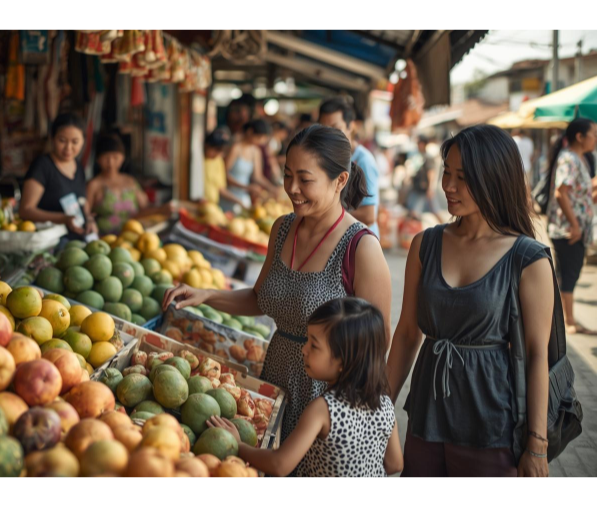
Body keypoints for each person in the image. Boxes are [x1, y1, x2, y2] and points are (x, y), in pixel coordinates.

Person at [164, 125, 392, 453]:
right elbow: (262, 298)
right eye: (287, 175)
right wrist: (206, 295)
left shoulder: (361, 248)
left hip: (327, 400)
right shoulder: (283, 229)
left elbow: (377, 339)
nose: (292, 189)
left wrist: (357, 414)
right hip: (275, 380)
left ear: (340, 180)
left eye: (305, 178)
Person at [386, 124, 555, 477]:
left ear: (494, 178)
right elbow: (406, 334)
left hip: (491, 426)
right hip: (426, 417)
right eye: (447, 172)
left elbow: (538, 354)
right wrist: (379, 411)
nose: (448, 186)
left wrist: (537, 445)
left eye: (462, 177)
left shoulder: (528, 259)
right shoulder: (426, 244)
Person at [207, 297, 402, 477]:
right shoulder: (384, 403)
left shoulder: (324, 409)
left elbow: (279, 464)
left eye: (314, 346)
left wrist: (238, 444)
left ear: (344, 361)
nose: (304, 349)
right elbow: (395, 464)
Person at [545, 118, 596, 335]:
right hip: (566, 229)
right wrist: (575, 225)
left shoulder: (581, 159)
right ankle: (568, 320)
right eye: (593, 134)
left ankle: (566, 320)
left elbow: (580, 195)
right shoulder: (570, 159)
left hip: (575, 228)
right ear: (580, 137)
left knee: (569, 272)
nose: (595, 139)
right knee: (568, 273)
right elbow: (561, 192)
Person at [19, 113, 98, 240]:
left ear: (83, 141)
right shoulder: (42, 166)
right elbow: (25, 210)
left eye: (75, 142)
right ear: (52, 138)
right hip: (50, 242)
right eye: (62, 140)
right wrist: (63, 218)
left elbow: (82, 201)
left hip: (78, 240)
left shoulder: (79, 167)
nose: (68, 147)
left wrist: (89, 219)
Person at [86, 134, 173, 235]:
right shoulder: (93, 185)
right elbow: (85, 214)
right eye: (106, 158)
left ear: (122, 158)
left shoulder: (130, 182)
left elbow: (144, 209)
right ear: (98, 159)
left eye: (115, 157)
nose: (110, 162)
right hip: (104, 240)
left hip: (133, 236)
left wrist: (161, 209)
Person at [318, 98, 381, 238]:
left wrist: (325, 215)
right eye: (324, 129)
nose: (330, 136)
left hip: (360, 243)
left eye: (336, 128)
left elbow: (369, 216)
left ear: (350, 127)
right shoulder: (328, 158)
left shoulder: (363, 161)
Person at [222, 120, 277, 212]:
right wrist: (247, 187)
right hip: (229, 194)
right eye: (259, 137)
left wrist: (271, 188)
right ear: (250, 132)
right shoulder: (236, 148)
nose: (260, 142)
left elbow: (258, 177)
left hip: (243, 197)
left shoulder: (256, 151)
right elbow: (223, 174)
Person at [203, 129, 247, 208]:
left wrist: (238, 201)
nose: (218, 154)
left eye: (221, 151)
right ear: (207, 145)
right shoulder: (199, 160)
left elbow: (221, 188)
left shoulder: (218, 161)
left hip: (212, 206)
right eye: (216, 149)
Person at [405, 135, 444, 223]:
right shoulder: (418, 156)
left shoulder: (428, 157)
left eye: (419, 143)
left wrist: (430, 188)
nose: (418, 145)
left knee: (434, 210)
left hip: (424, 188)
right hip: (418, 188)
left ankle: (446, 227)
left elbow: (431, 173)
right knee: (414, 211)